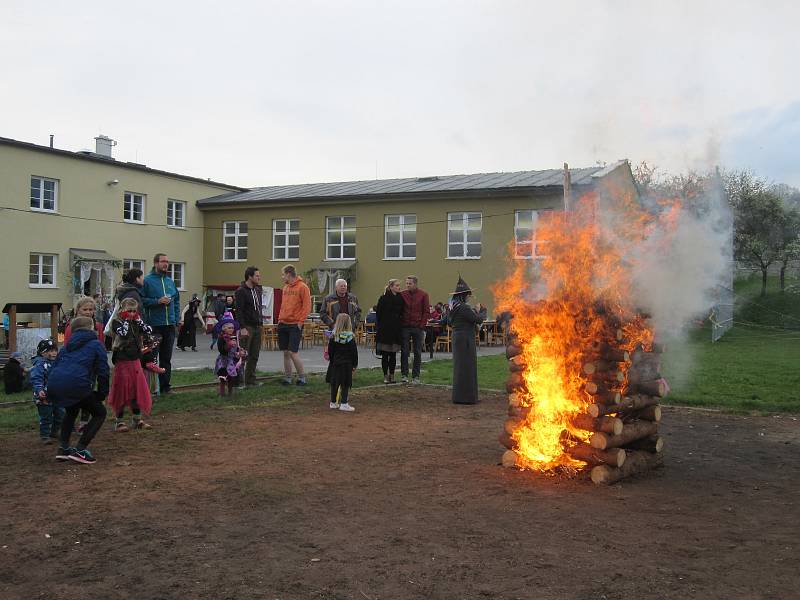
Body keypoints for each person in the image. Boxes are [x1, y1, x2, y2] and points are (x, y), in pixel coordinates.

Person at [48, 316, 109, 464]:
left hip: (55, 383)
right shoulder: (96, 344)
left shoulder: (66, 346)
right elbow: (103, 371)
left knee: (71, 410)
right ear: (91, 329)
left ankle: (63, 448)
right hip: (77, 384)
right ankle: (81, 449)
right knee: (100, 413)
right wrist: (102, 393)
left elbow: (55, 367)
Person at [108, 297, 154, 432]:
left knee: (136, 389)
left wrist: (139, 321)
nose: (132, 314)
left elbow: (148, 330)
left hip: (135, 359)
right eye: (129, 311)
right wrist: (127, 320)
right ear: (122, 310)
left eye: (134, 311)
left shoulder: (137, 322)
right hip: (122, 359)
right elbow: (123, 332)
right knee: (122, 390)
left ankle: (137, 419)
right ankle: (119, 421)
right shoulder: (117, 322)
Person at [141, 253, 181, 394]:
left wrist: (176, 319)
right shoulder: (147, 281)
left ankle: (165, 387)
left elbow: (176, 301)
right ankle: (150, 388)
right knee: (151, 358)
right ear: (156, 263)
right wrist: (157, 301)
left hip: (169, 325)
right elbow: (141, 301)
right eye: (163, 261)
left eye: (167, 262)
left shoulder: (170, 281)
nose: (166, 264)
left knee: (166, 358)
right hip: (154, 325)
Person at [115, 268, 164, 375]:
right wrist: (142, 329)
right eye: (142, 277)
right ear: (137, 278)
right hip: (134, 333)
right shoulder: (133, 294)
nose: (143, 280)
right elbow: (135, 314)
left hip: (132, 331)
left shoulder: (129, 292)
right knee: (153, 344)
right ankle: (150, 364)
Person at [449, 277, 483, 405]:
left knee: (460, 367)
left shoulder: (453, 306)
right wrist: (480, 311)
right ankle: (467, 397)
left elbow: (448, 321)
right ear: (464, 295)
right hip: (465, 339)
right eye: (468, 295)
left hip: (458, 337)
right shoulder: (463, 307)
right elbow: (478, 319)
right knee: (467, 367)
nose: (469, 297)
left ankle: (460, 396)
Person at [277, 264, 311, 386]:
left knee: (293, 352)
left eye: (283, 274)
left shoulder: (303, 287)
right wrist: (280, 319)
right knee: (286, 352)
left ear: (288, 274)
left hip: (295, 324)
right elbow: (283, 305)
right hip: (283, 322)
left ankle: (302, 378)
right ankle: (288, 378)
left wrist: (300, 322)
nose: (282, 277)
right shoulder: (285, 288)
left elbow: (307, 306)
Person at [234, 267, 263, 387]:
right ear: (250, 277)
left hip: (257, 326)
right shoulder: (241, 291)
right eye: (257, 275)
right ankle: (238, 382)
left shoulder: (257, 290)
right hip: (247, 327)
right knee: (243, 355)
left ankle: (251, 380)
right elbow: (239, 311)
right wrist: (242, 327)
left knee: (254, 355)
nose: (259, 277)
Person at [30, 339, 62, 443]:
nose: (53, 353)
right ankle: (45, 435)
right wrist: (39, 390)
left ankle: (54, 431)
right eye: (50, 351)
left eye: (55, 350)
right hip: (43, 395)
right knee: (46, 416)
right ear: (43, 353)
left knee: (61, 413)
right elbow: (36, 378)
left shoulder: (57, 363)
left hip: (56, 394)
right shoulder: (39, 364)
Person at [400, 275, 430, 384]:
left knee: (417, 352)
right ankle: (404, 374)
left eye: (410, 283)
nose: (407, 285)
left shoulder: (423, 295)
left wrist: (421, 325)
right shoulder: (402, 294)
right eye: (406, 283)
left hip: (417, 327)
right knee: (404, 351)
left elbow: (426, 311)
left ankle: (416, 376)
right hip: (405, 327)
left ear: (415, 284)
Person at [326, 313, 358, 412]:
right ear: (349, 323)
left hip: (335, 363)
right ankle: (344, 403)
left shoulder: (333, 337)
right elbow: (354, 352)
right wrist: (354, 364)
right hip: (347, 364)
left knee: (334, 382)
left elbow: (330, 351)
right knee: (345, 383)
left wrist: (332, 361)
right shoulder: (350, 338)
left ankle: (333, 402)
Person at [375, 279, 404, 384]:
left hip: (396, 330)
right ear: (391, 287)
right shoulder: (383, 298)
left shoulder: (401, 298)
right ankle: (385, 376)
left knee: (393, 354)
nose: (399, 287)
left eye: (399, 285)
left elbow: (402, 312)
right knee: (385, 354)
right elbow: (378, 313)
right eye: (396, 285)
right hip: (385, 330)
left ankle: (392, 375)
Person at [214, 312, 247, 397]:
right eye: (229, 328)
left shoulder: (234, 338)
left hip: (232, 361)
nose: (231, 329)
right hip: (223, 361)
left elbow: (236, 349)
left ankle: (230, 392)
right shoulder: (221, 338)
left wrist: (240, 353)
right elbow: (222, 351)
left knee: (231, 378)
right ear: (224, 328)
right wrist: (228, 345)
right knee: (222, 377)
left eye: (232, 328)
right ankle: (222, 393)